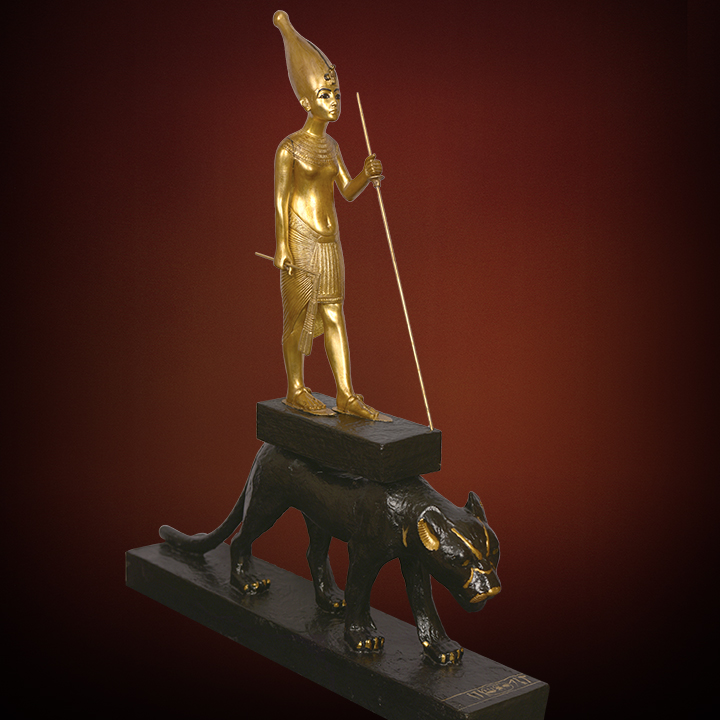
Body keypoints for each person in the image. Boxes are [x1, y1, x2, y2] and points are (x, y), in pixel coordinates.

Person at [272, 11, 390, 421]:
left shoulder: (333, 147)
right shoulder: (289, 148)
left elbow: (347, 192)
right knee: (297, 319)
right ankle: (295, 389)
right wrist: (282, 245)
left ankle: (345, 395)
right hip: (301, 239)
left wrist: (366, 175)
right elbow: (280, 200)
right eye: (325, 95)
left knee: (335, 314)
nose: (334, 101)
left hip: (329, 241)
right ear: (306, 101)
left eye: (336, 94)